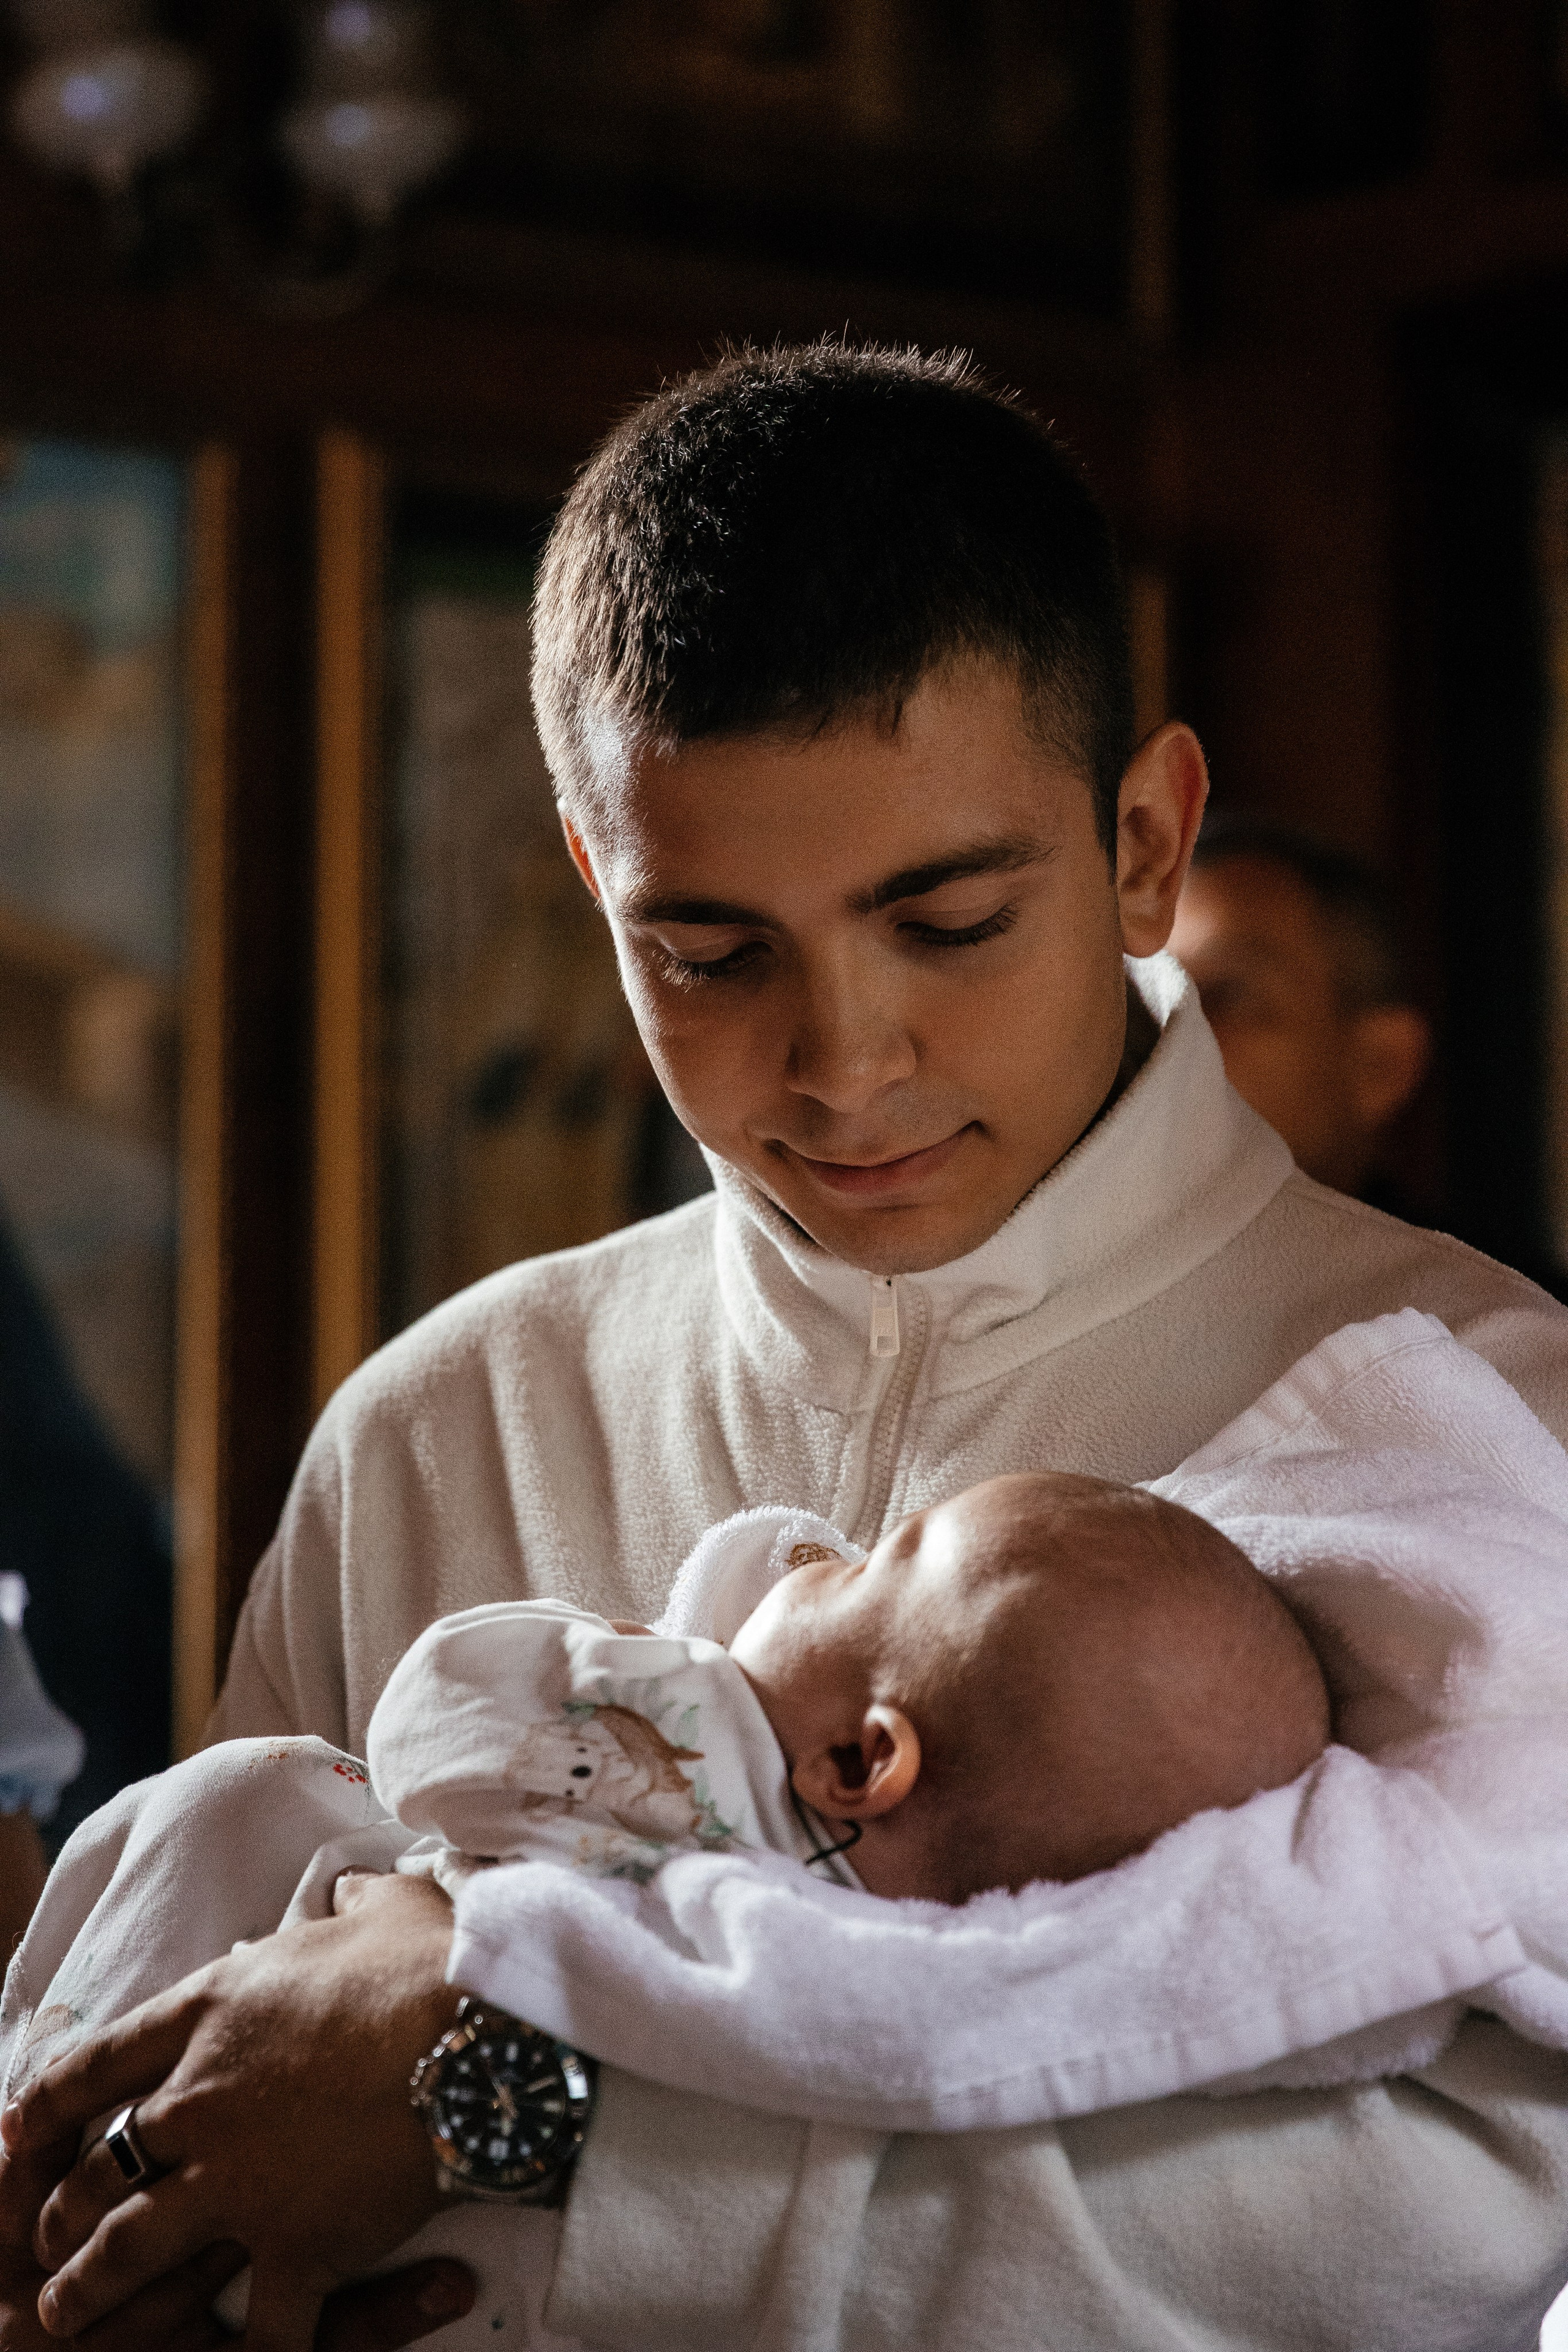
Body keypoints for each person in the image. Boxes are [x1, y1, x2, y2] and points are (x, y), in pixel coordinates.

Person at [6, 340, 1568, 2352]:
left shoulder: (1483, 1417)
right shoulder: (434, 1429)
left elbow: (1451, 2221)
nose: (845, 1062)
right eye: (711, 953)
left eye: (950, 921)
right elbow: (224, 2128)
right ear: (596, 886)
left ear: (1146, 848)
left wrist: (517, 2093)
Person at [1168, 815, 1433, 1204]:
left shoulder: (1460, 1267)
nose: (1160, 1039)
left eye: (1228, 995)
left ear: (1382, 1063)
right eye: (1139, 1000)